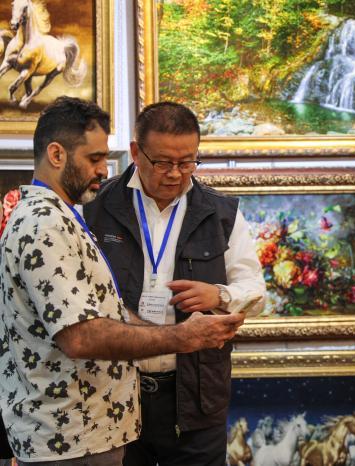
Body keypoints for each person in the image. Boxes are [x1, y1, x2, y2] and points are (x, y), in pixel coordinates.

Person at [0, 97, 245, 465]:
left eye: (186, 162)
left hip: (91, 431)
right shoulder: (46, 227)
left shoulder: (61, 219)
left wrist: (188, 327)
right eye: (94, 158)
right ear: (56, 155)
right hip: (70, 438)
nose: (104, 169)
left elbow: (101, 310)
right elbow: (81, 336)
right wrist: (182, 337)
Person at [84, 101, 265, 466]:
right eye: (163, 162)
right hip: (113, 393)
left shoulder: (220, 213)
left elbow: (256, 293)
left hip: (196, 396)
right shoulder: (96, 207)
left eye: (187, 162)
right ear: (136, 152)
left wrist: (219, 294)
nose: (175, 174)